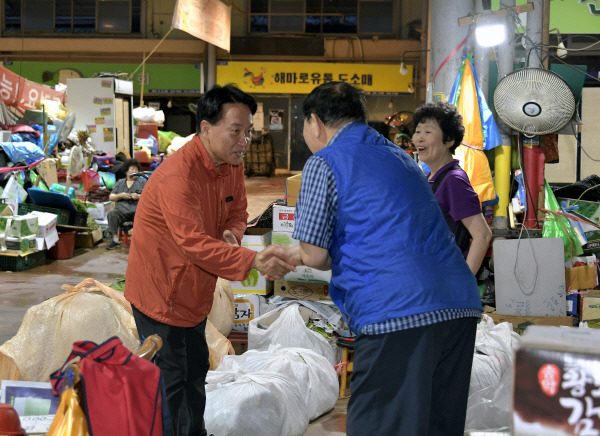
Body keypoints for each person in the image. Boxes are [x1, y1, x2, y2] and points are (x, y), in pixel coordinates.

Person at [269, 82, 482, 435]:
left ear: (315, 122)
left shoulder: (325, 161)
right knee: (435, 424)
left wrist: (301, 253)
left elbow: (317, 254)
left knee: (380, 424)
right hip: (458, 305)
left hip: (399, 312)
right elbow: (384, 235)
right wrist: (294, 254)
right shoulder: (401, 157)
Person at [124, 84, 295, 436]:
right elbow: (193, 243)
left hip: (194, 292)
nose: (244, 140)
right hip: (161, 293)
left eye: (248, 132)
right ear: (205, 128)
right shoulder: (178, 175)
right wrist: (252, 260)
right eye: (236, 131)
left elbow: (238, 210)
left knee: (196, 372)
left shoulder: (230, 164)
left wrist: (232, 234)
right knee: (171, 383)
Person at [412, 101, 493, 275]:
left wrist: (465, 282)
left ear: (448, 140)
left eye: (427, 132)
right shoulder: (431, 178)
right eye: (417, 131)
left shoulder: (454, 180)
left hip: (447, 280)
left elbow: (482, 234)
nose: (419, 137)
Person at [106, 158, 145, 250]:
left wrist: (138, 196)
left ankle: (140, 241)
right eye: (132, 169)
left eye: (136, 169)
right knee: (112, 214)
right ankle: (115, 240)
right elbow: (111, 197)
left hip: (137, 211)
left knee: (143, 215)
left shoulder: (142, 182)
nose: (134, 171)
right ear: (126, 171)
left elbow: (149, 197)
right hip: (122, 211)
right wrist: (120, 195)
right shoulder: (120, 183)